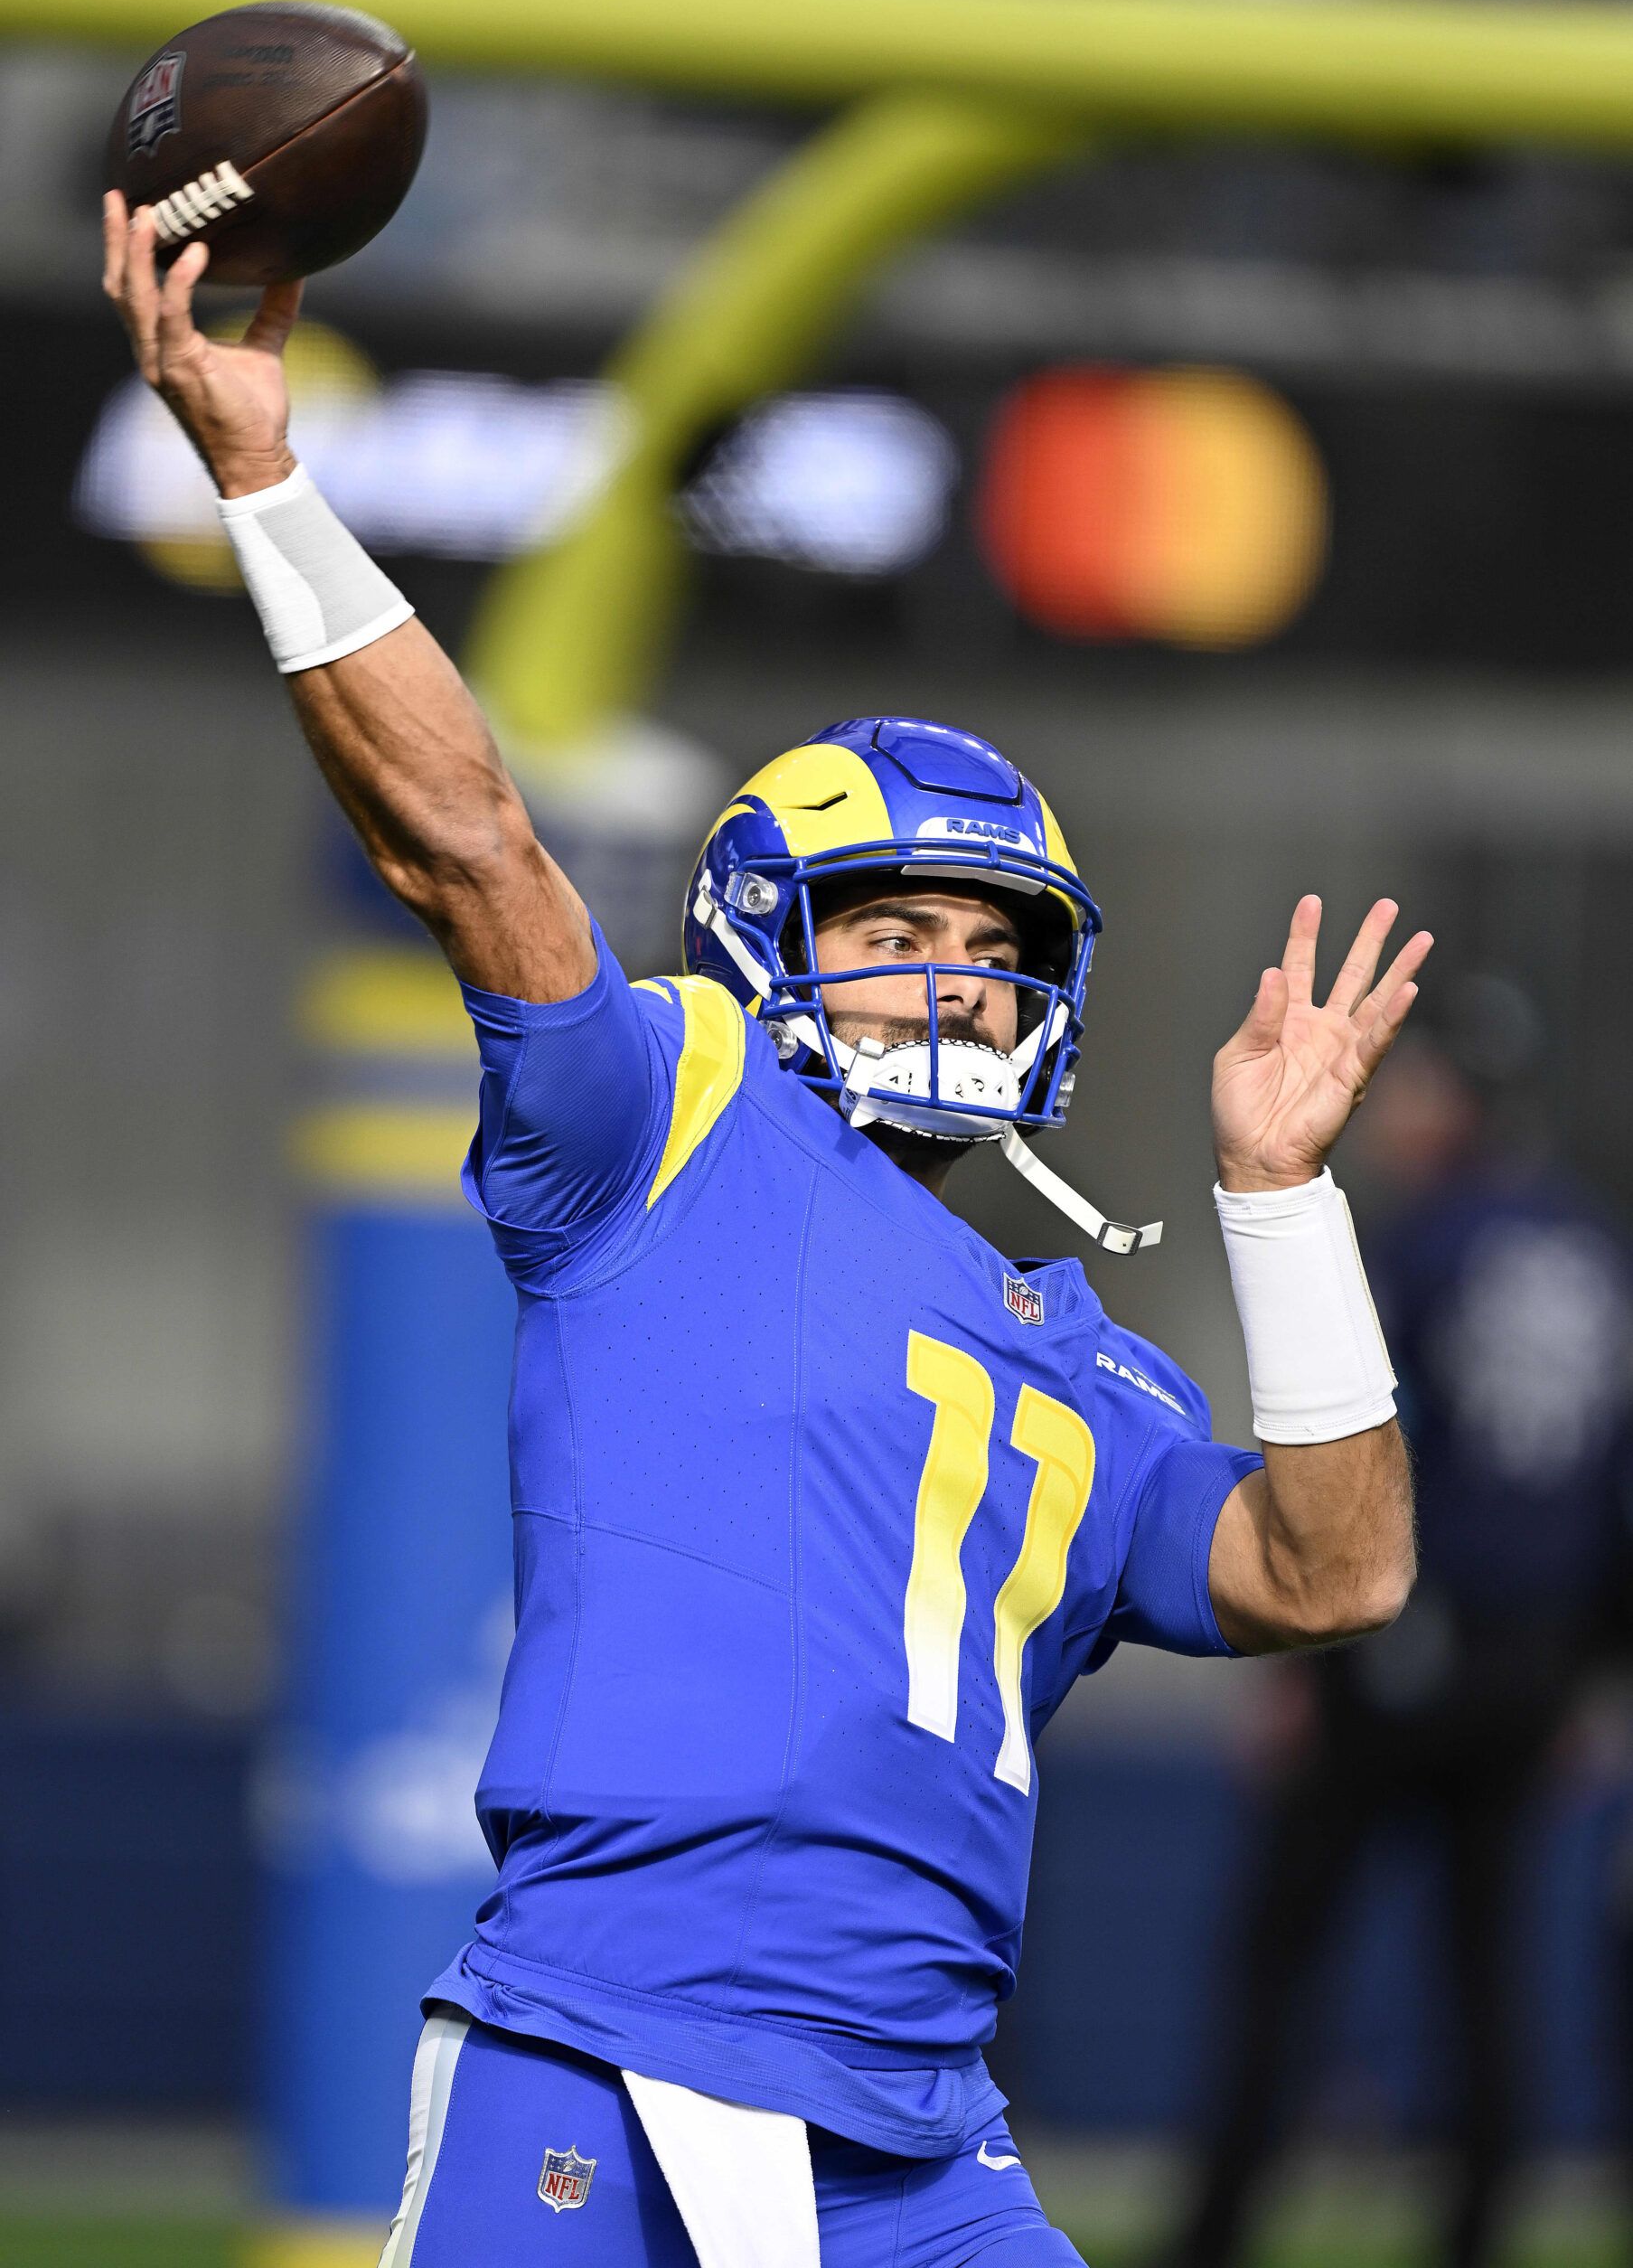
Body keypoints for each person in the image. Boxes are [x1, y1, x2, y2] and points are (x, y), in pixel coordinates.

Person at [103, 199, 1427, 2268]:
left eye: (994, 948)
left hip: (922, 2134)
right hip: (608, 2057)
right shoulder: (671, 1112)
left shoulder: (1095, 1356)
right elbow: (464, 831)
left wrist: (1281, 1201)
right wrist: (267, 477)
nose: (953, 982)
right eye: (893, 928)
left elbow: (1333, 1570)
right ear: (765, 942)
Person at [1168, 993, 1633, 2268]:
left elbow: (1364, 1460)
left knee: (1286, 1950)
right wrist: (1592, 1676)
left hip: (1400, 1649)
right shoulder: (1593, 1247)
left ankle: (1219, 2226)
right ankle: (1479, 2228)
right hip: (1534, 1661)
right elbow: (1614, 1488)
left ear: (1457, 1102)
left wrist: (1305, 1666)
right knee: (1487, 1964)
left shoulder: (1424, 1244)